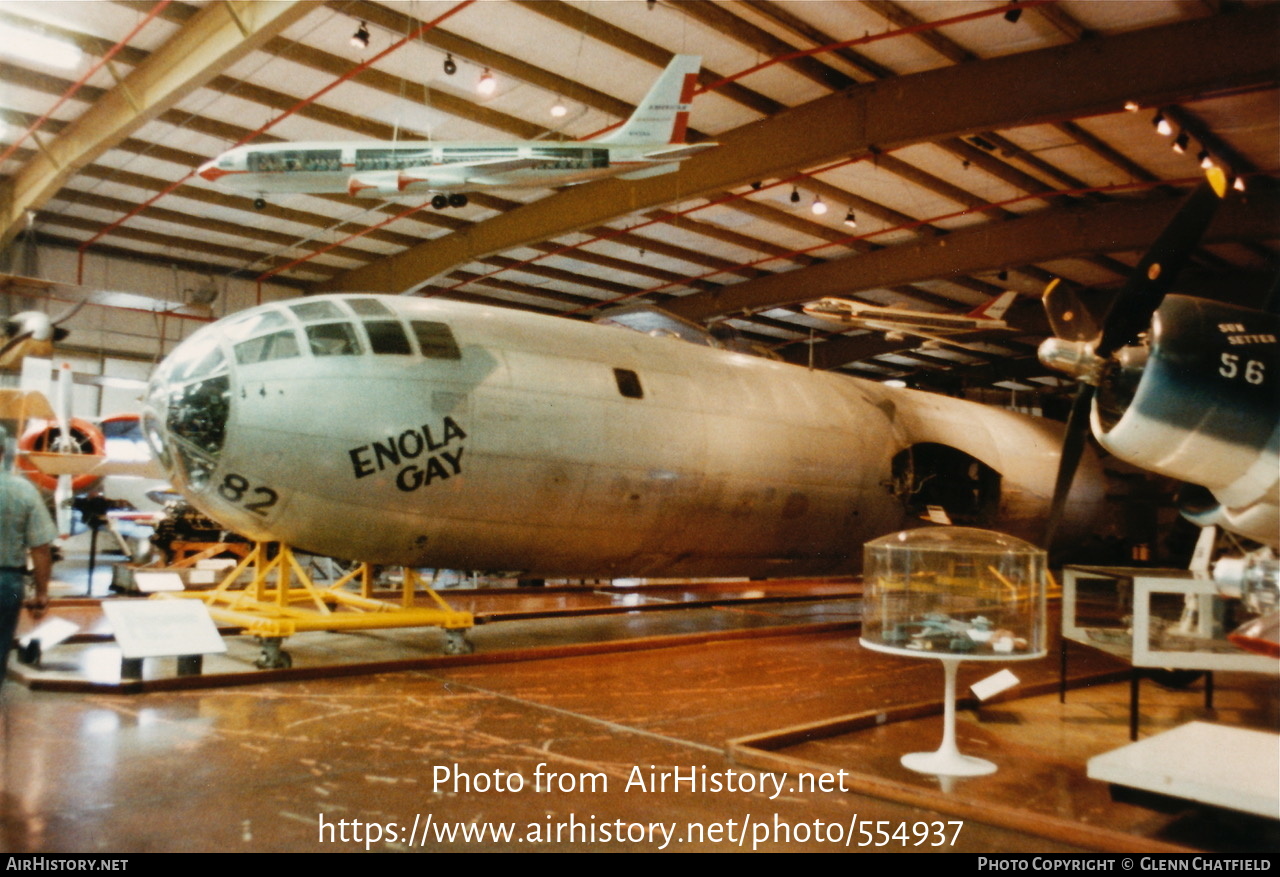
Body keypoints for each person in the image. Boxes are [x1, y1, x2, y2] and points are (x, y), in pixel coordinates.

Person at [0, 441, 58, 689]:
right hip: (7, 583)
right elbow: (41, 547)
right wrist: (42, 593)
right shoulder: (23, 490)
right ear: (3, 453)